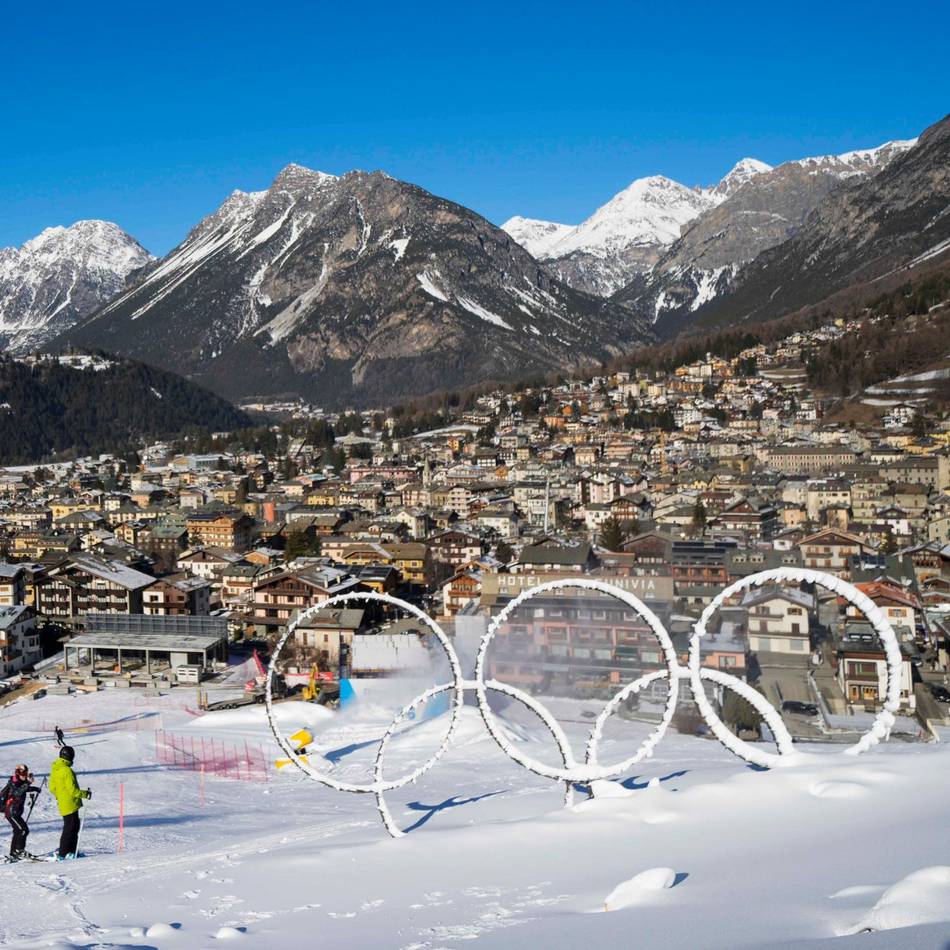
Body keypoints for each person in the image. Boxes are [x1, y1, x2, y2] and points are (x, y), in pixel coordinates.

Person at [49, 746, 90, 860]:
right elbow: (73, 790)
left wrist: (60, 795)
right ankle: (64, 853)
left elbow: (52, 788)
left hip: (63, 803)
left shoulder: (55, 769)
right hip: (70, 803)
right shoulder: (67, 770)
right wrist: (85, 794)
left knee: (72, 827)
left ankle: (70, 852)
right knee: (71, 828)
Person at [1, 764, 41, 860]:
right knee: (23, 830)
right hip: (11, 812)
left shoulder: (19, 782)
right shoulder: (14, 782)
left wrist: (35, 788)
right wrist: (28, 783)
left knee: (17, 831)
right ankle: (20, 850)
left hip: (15, 812)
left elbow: (23, 789)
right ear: (17, 773)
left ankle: (13, 853)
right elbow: (17, 792)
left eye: (26, 773)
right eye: (23, 774)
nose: (24, 776)